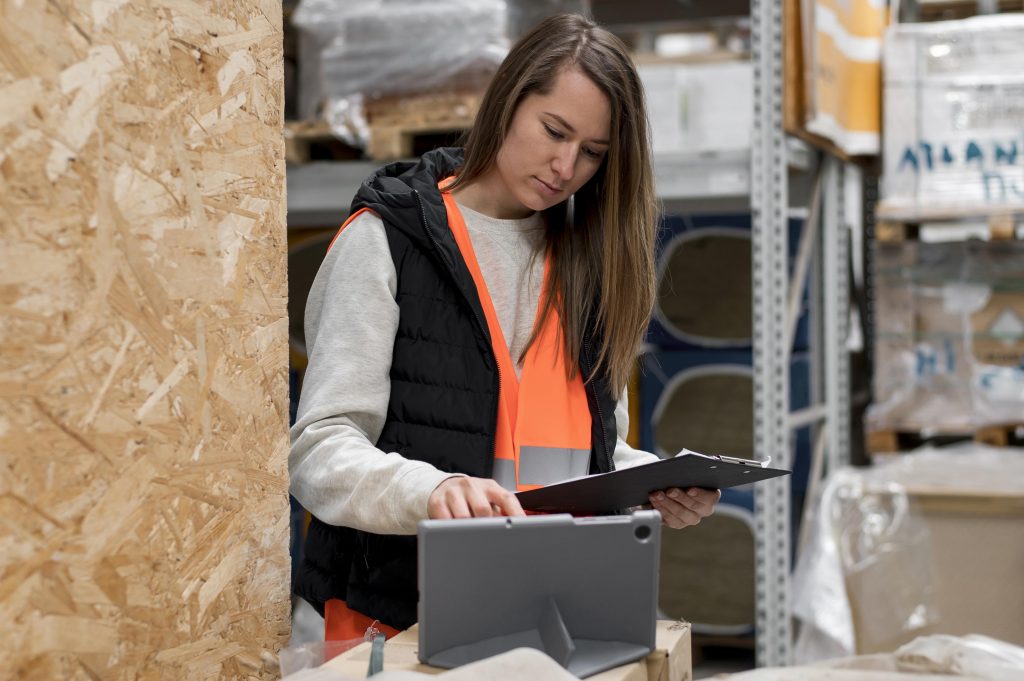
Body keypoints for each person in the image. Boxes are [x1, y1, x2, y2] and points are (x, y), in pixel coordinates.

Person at [289, 13, 721, 638]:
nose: (565, 165)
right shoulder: (387, 240)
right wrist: (431, 493)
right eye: (554, 131)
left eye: (593, 153)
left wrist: (648, 484)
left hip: (546, 615)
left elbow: (582, 451)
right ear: (508, 100)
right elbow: (319, 448)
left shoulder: (589, 262)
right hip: (398, 622)